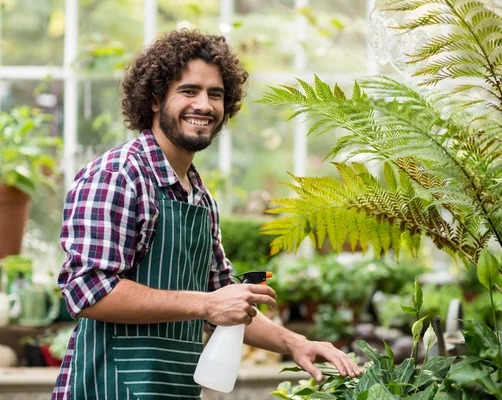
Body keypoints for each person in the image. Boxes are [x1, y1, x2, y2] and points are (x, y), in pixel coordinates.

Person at [51, 29, 361, 399]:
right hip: (106, 388)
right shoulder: (120, 175)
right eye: (189, 91)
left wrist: (295, 343)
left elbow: (221, 297)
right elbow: (87, 291)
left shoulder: (200, 197)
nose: (204, 105)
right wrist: (207, 305)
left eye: (216, 94)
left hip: (173, 390)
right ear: (153, 99)